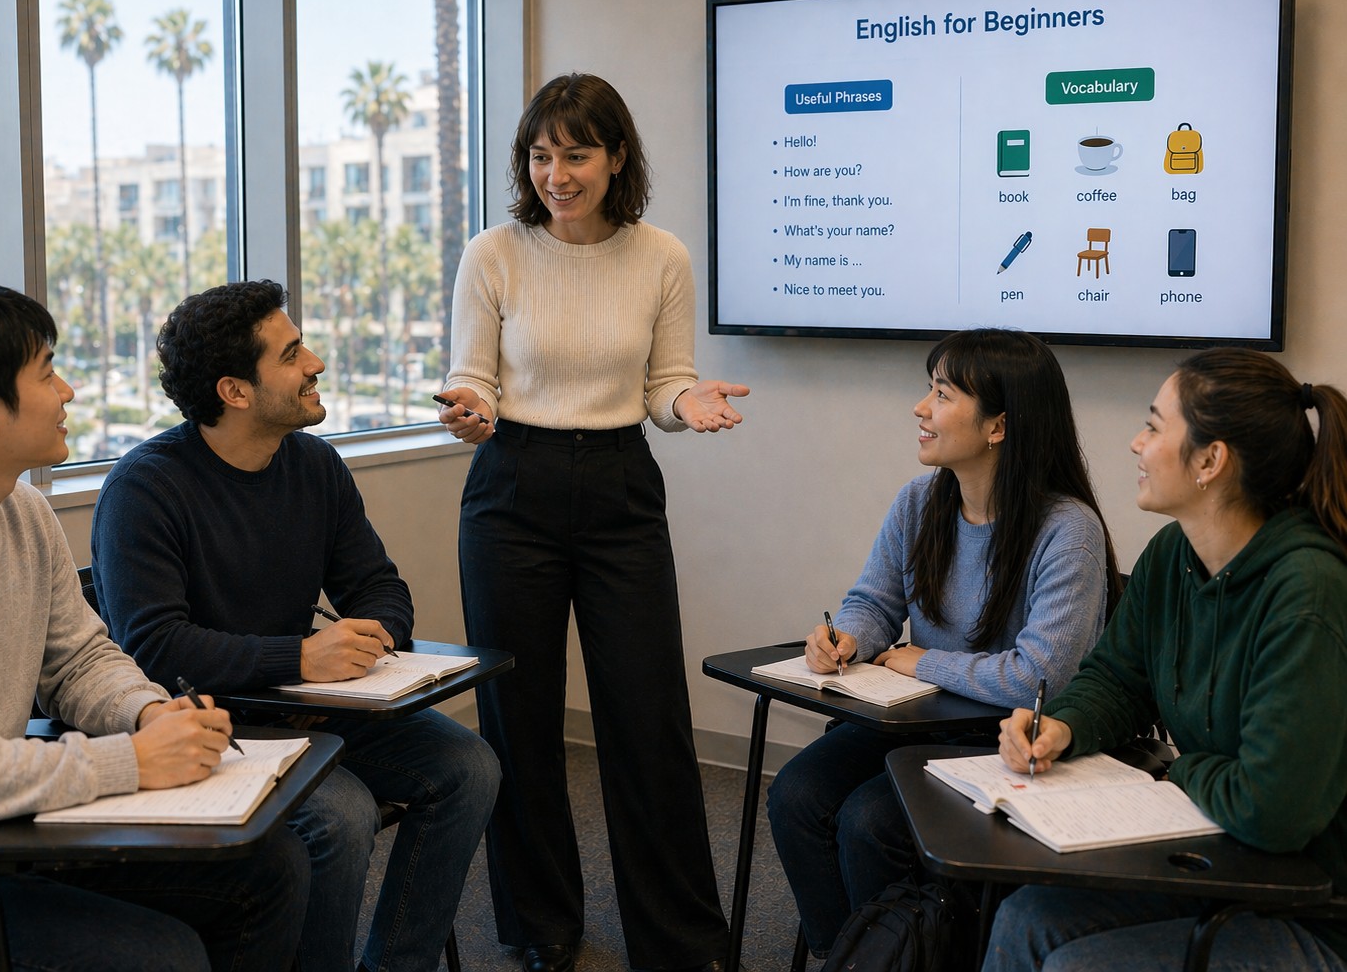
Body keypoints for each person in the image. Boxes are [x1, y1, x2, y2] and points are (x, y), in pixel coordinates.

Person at [0, 281, 308, 971]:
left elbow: (77, 661)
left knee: (269, 869)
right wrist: (131, 761)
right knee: (157, 957)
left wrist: (149, 714)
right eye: (47, 373)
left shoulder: (23, 510)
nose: (67, 391)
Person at [91, 279, 500, 972]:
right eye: (290, 354)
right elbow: (154, 649)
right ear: (234, 391)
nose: (315, 363)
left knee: (470, 767)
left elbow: (379, 587)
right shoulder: (145, 488)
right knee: (341, 817)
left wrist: (365, 642)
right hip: (215, 724)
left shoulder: (314, 463)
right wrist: (301, 662)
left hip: (313, 708)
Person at [435, 71, 746, 972]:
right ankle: (540, 926)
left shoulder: (661, 256)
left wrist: (689, 405)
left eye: (575, 155)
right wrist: (466, 408)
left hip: (619, 488)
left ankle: (678, 936)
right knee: (518, 717)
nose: (556, 175)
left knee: (648, 718)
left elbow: (664, 385)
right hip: (511, 486)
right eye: (540, 156)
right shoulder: (493, 253)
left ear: (615, 158)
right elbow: (473, 376)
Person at [765, 327, 1122, 959]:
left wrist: (923, 661)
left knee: (869, 822)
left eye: (942, 395)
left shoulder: (1068, 530)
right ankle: (855, 958)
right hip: (918, 721)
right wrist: (845, 638)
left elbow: (1039, 678)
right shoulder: (919, 501)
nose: (920, 409)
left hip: (1008, 739)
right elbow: (874, 604)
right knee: (795, 795)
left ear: (998, 426)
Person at [986, 349, 1347, 972]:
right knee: (1026, 918)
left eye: (1153, 426)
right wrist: (1061, 726)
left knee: (1080, 967)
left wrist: (1182, 770)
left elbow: (1272, 812)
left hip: (1315, 909)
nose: (1136, 443)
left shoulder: (1307, 591)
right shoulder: (1170, 554)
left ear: (1210, 461)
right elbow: (1117, 679)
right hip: (1225, 860)